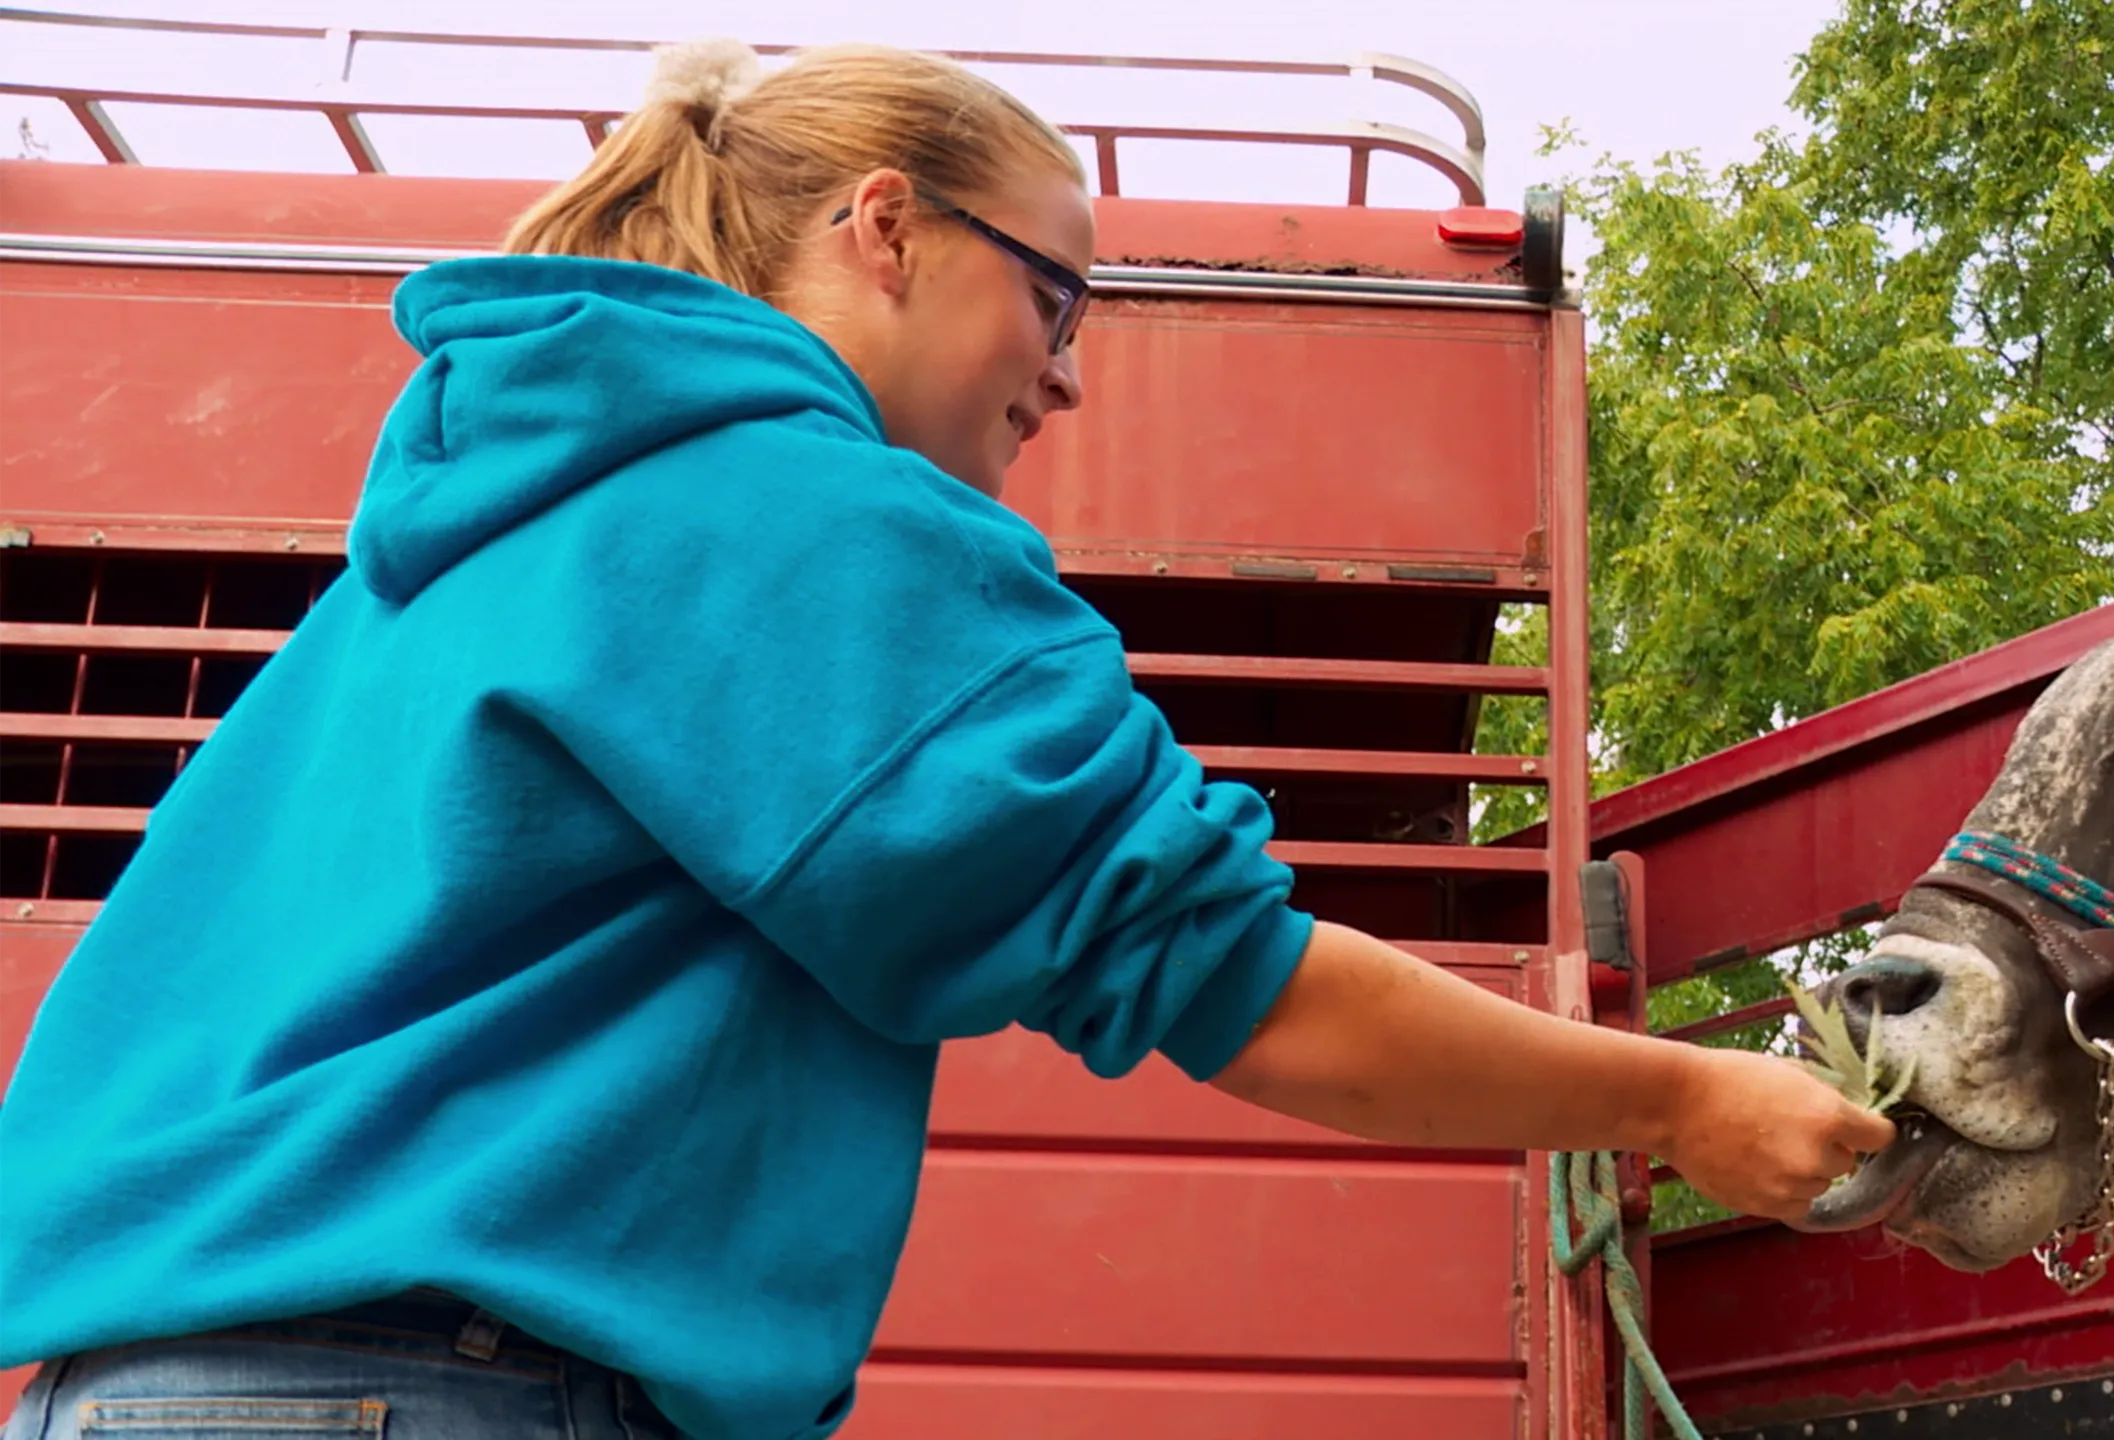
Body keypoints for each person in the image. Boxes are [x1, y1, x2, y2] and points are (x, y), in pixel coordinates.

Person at [0, 36, 1894, 1440]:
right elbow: (1226, 975)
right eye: (1057, 294)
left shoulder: (464, 544)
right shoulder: (796, 509)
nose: (1069, 372)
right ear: (884, 226)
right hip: (424, 1395)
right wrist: (1680, 1100)